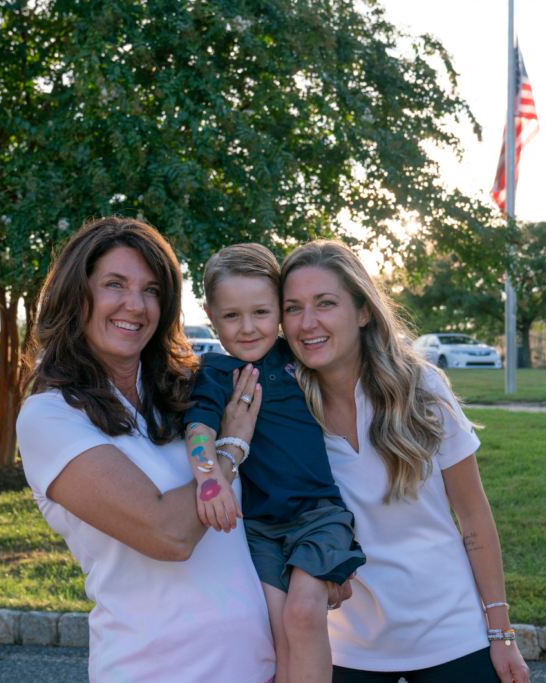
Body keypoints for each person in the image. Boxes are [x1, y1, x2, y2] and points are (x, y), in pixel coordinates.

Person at [16, 218, 278, 682]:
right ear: (77, 294)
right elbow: (169, 534)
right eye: (114, 285)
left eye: (152, 290)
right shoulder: (50, 417)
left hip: (257, 666)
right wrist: (231, 447)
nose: (135, 306)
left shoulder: (186, 392)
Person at [280, 240, 531, 683]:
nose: (308, 323)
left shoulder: (422, 387)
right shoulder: (286, 409)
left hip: (452, 632)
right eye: (293, 308)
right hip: (348, 645)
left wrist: (501, 631)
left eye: (326, 304)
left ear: (363, 312)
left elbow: (472, 514)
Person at [184, 244, 366, 683]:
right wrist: (210, 482)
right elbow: (198, 430)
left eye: (262, 313)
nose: (248, 329)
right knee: (279, 635)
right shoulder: (213, 372)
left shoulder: (297, 357)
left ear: (280, 311)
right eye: (231, 316)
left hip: (318, 516)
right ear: (210, 314)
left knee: (304, 614)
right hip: (260, 530)